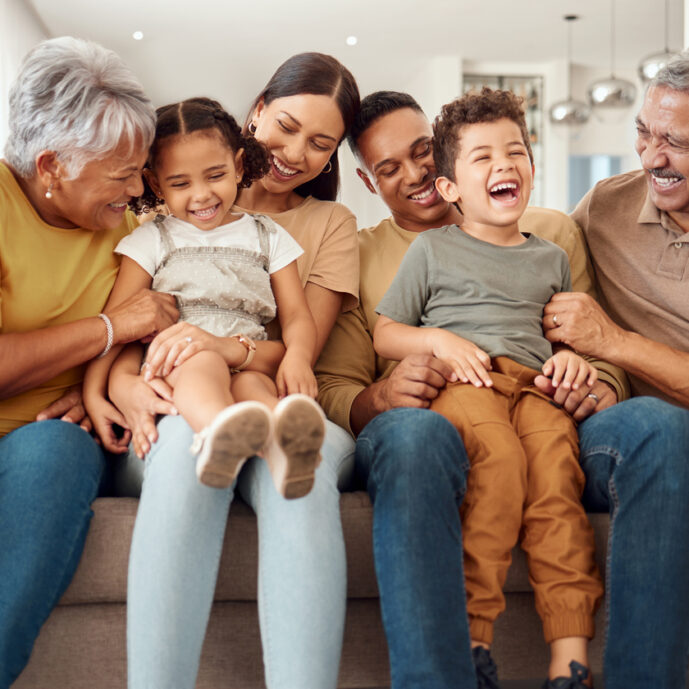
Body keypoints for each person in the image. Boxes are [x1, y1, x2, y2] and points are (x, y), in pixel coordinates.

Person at [315, 90, 624, 689]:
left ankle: (571, 658)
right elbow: (376, 344)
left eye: (423, 153)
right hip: (462, 387)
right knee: (500, 463)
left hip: (535, 391)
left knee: (556, 479)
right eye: (388, 168)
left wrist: (580, 369)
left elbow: (579, 338)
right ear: (367, 180)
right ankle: (473, 639)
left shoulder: (552, 248)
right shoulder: (398, 253)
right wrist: (434, 349)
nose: (416, 175)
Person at [109, 53, 360, 689]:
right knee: (189, 436)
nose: (296, 152)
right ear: (255, 118)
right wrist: (115, 385)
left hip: (256, 368)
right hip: (177, 374)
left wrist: (271, 356)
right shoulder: (153, 229)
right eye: (286, 125)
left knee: (281, 448)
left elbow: (291, 332)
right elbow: (117, 328)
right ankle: (219, 430)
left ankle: (273, 439)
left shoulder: (301, 231)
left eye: (320, 143)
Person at [0, 37, 178, 688]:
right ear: (51, 166)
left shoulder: (137, 230)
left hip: (58, 439)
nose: (138, 188)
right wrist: (105, 329)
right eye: (122, 172)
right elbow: (124, 324)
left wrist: (100, 375)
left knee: (53, 452)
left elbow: (158, 328)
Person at [85, 97, 326, 498]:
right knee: (205, 361)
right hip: (177, 361)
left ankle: (287, 451)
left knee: (256, 392)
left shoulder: (268, 236)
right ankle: (216, 432)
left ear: (238, 165)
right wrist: (98, 390)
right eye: (180, 184)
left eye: (215, 175)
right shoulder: (151, 238)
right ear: (156, 183)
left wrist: (299, 357)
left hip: (245, 359)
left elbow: (298, 315)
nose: (201, 196)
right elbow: (115, 323)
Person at [540, 52, 689, 689]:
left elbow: (608, 337)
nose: (651, 158)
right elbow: (534, 274)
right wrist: (579, 368)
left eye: (676, 143)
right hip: (625, 438)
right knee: (660, 429)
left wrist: (617, 342)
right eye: (643, 133)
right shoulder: (604, 207)